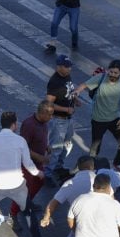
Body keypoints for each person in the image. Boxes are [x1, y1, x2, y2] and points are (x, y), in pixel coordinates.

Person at [40, 155, 95, 237]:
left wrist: (46, 217)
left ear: (79, 168)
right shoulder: (101, 179)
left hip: (80, 226)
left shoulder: (69, 184)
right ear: (91, 167)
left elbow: (53, 204)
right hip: (101, 225)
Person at [73, 60, 120, 173]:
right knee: (95, 149)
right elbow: (84, 85)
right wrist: (77, 91)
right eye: (111, 72)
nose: (112, 75)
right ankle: (90, 169)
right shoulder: (100, 78)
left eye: (116, 73)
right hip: (98, 120)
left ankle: (117, 164)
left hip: (114, 119)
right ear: (108, 70)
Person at [9, 101, 53, 237]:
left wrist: (47, 146)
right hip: (28, 164)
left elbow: (43, 137)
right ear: (42, 113)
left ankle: (28, 203)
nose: (51, 117)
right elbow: (24, 147)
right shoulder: (29, 125)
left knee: (39, 182)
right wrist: (40, 157)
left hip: (38, 163)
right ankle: (13, 214)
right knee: (23, 191)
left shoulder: (44, 123)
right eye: (49, 115)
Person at [45, 54, 77, 187]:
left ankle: (59, 167)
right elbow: (49, 103)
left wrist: (76, 100)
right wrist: (65, 109)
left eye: (69, 66)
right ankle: (48, 173)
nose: (69, 69)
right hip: (59, 119)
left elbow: (69, 91)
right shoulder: (54, 82)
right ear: (59, 67)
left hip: (68, 119)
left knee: (67, 144)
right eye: (66, 67)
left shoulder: (66, 76)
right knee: (56, 147)